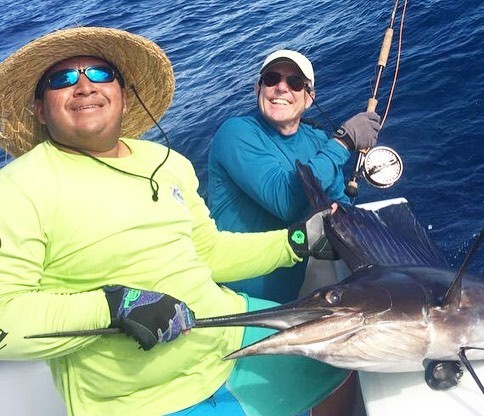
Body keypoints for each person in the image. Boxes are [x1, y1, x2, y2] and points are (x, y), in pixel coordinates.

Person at [0, 27, 353, 416]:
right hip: (147, 396)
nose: (84, 87)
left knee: (343, 356)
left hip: (229, 331)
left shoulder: (166, 162)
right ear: (39, 108)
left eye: (100, 74)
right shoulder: (18, 186)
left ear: (123, 93)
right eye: (62, 79)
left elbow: (210, 252)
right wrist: (114, 306)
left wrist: (296, 242)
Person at [207, 49, 380, 303]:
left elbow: (341, 206)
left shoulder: (318, 139)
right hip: (239, 300)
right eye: (271, 79)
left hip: (303, 293)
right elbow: (285, 200)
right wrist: (343, 143)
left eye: (295, 83)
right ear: (257, 88)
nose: (281, 88)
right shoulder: (235, 133)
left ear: (309, 98)